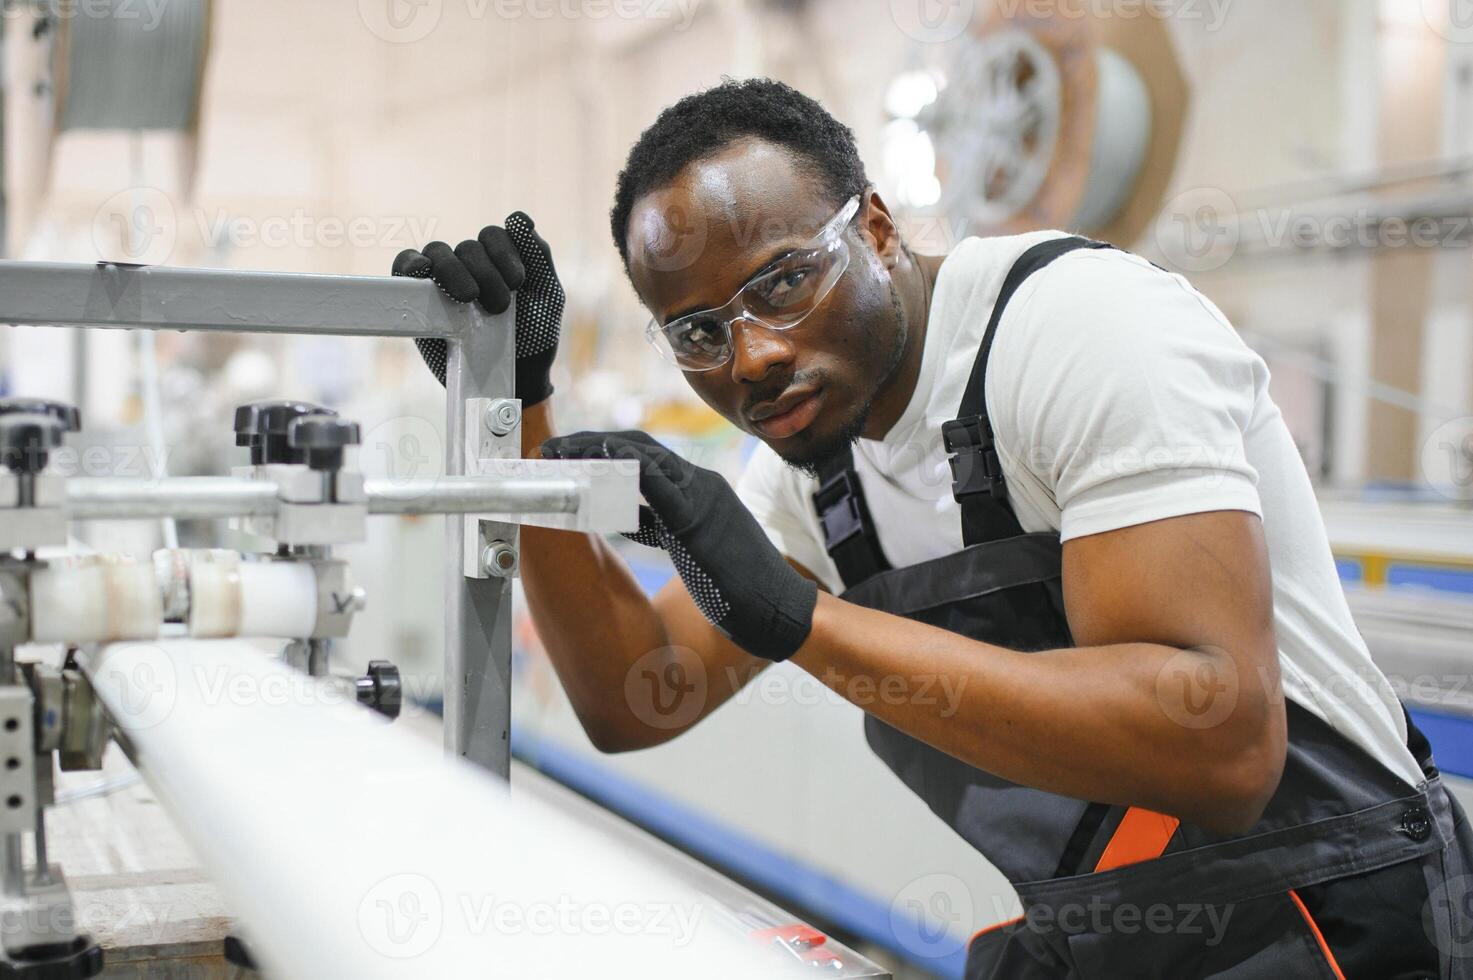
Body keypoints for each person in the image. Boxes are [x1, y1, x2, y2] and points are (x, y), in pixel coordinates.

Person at [394, 78, 1471, 978]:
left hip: (1334, 914)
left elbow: (1221, 742)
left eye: (784, 280)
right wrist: (514, 406)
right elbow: (640, 693)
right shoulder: (815, 469)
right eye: (700, 330)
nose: (754, 354)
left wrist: (802, 622)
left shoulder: (1072, 332)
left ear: (873, 225)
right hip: (1108, 936)